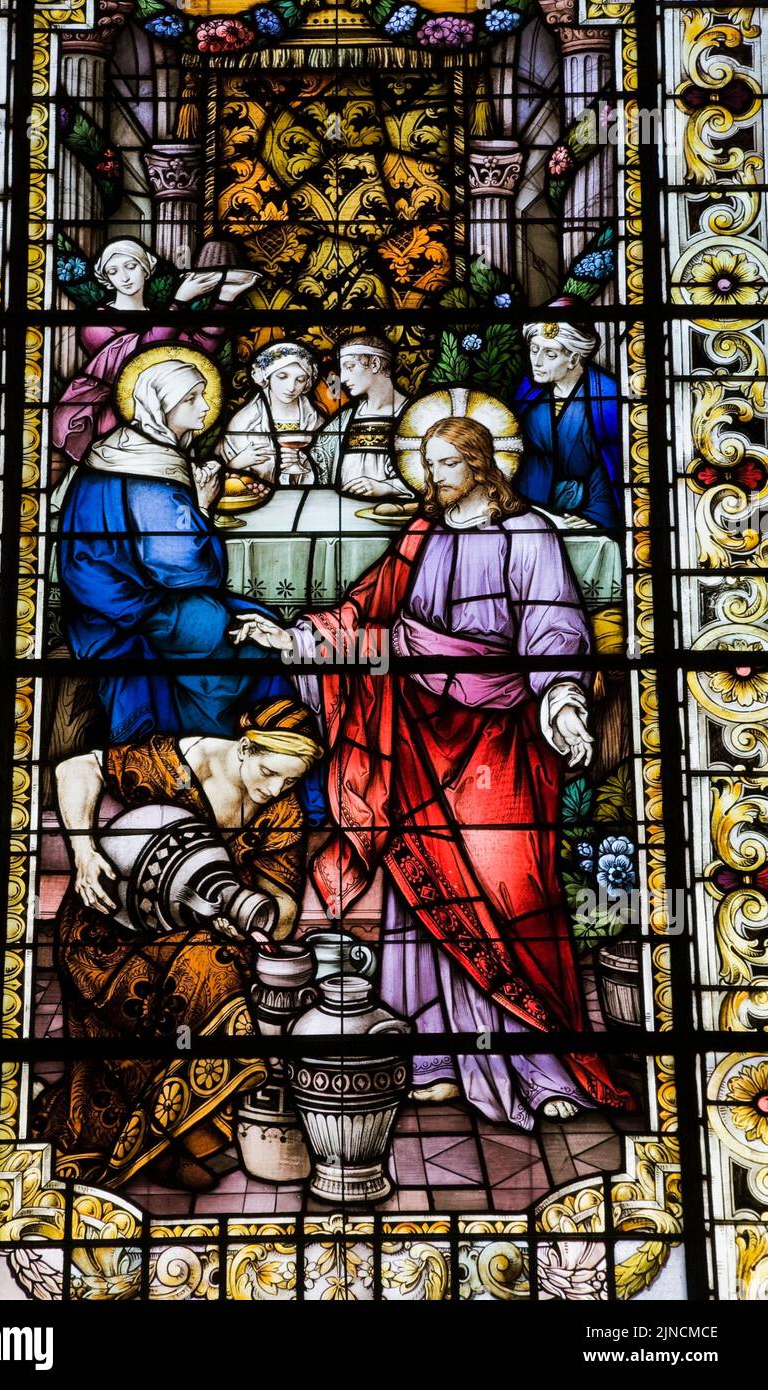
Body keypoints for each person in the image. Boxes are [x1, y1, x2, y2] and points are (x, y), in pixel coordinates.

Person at [231, 413, 636, 1130]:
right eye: (425, 462)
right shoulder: (422, 535)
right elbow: (366, 612)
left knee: (509, 893)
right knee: (422, 899)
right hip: (417, 739)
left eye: (445, 464)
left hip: (499, 746)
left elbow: (556, 631)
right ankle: (436, 1059)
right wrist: (291, 636)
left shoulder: (528, 537)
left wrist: (564, 701)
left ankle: (533, 1063)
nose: (431, 477)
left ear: (482, 465)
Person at [31, 699, 323, 1191]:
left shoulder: (282, 809)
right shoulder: (178, 764)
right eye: (271, 772)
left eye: (289, 781)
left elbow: (282, 902)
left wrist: (257, 914)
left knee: (217, 961)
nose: (275, 789)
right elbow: (77, 767)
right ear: (246, 748)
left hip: (201, 933)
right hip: (109, 931)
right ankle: (173, 1134)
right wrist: (83, 851)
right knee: (211, 968)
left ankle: (172, 1132)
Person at [56, 347, 294, 745]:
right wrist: (202, 506)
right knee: (248, 635)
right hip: (126, 611)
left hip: (119, 598)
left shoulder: (126, 449)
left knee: (256, 623)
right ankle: (212, 747)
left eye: (202, 395)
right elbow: (183, 567)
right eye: (190, 399)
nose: (203, 407)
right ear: (160, 406)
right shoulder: (147, 469)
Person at [51, 236, 252, 476]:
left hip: (162, 415)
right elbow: (142, 354)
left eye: (131, 266)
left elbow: (198, 348)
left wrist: (225, 299)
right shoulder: (97, 321)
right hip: (108, 414)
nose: (124, 277)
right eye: (113, 271)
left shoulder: (164, 318)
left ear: (146, 268)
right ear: (106, 279)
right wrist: (179, 301)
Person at [513, 309, 623, 531]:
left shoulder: (608, 396)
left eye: (550, 354)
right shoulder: (527, 393)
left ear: (573, 358)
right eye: (534, 350)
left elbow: (613, 460)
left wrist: (597, 514)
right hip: (530, 507)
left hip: (584, 512)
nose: (537, 361)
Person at [310, 334, 413, 500]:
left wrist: (389, 487)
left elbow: (434, 473)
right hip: (344, 513)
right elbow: (318, 464)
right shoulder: (344, 419)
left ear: (375, 364)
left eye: (349, 367)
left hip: (395, 515)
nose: (342, 379)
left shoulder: (414, 414)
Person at [219, 341, 323, 487]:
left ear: (307, 383)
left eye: (300, 379)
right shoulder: (244, 422)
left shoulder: (315, 421)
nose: (291, 387)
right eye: (282, 376)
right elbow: (217, 475)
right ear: (267, 377)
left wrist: (304, 460)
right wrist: (237, 463)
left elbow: (330, 466)